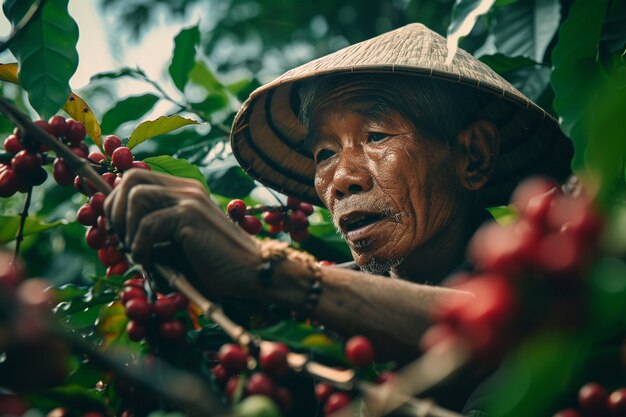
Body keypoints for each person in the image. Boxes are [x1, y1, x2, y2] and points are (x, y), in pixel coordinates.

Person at [104, 23, 573, 414]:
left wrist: (260, 267)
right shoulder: (309, 319)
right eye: (325, 152)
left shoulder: (545, 284)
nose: (343, 177)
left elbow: (493, 322)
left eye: (375, 135)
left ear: (472, 156)